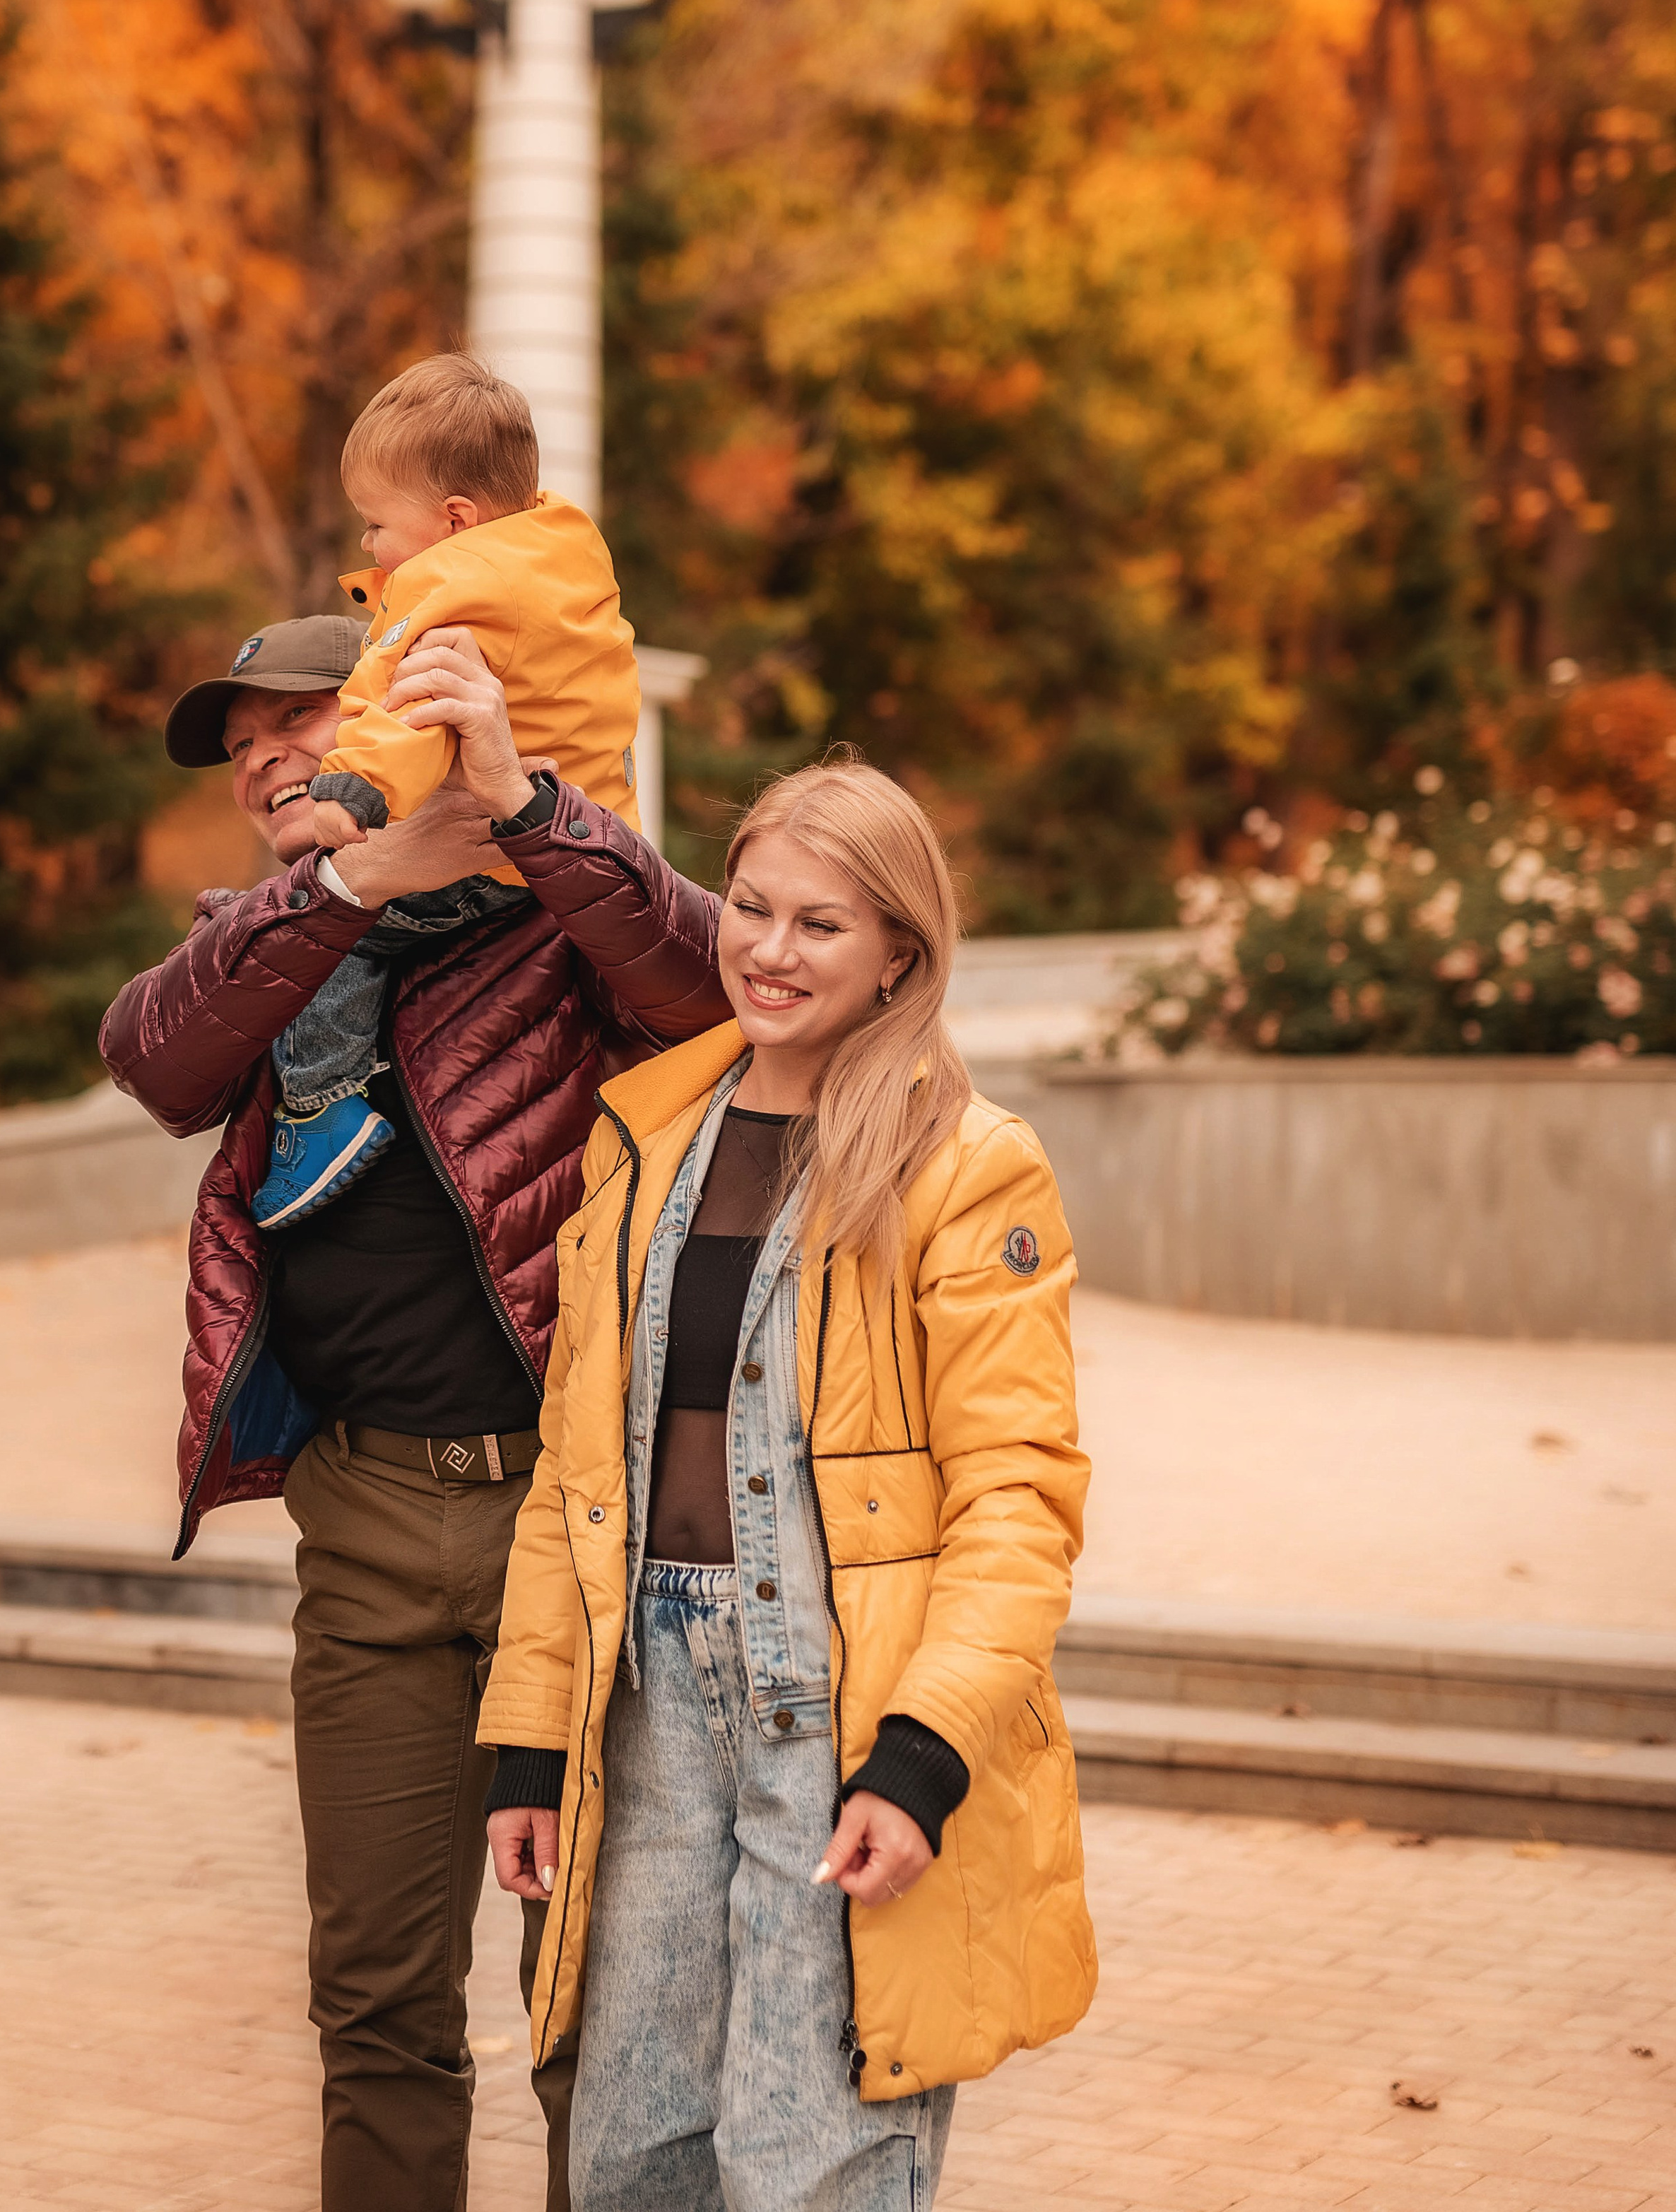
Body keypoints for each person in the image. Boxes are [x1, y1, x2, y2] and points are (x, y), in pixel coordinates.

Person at [98, 613, 726, 2212]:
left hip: (569, 1531)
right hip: (364, 1528)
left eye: (294, 721)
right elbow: (152, 1060)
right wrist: (347, 884)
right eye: (237, 746)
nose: (258, 761)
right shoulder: (265, 935)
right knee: (374, 2004)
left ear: (394, 718)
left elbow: (712, 983)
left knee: (593, 1992)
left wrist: (521, 807)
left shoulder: (555, 917)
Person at [478, 756, 1097, 2212]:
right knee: (628, 2148)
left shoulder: (967, 1168)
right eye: (750, 906)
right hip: (648, 1713)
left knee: (802, 2155)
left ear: (899, 951)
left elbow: (1017, 1501)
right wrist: (528, 1742)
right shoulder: (643, 1140)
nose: (767, 947)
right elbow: (579, 1475)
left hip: (842, 1715)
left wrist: (923, 1754)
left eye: (820, 924)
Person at [257, 352, 642, 1226]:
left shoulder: (450, 588)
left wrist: (349, 795)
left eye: (375, 525)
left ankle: (322, 1109)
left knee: (328, 931)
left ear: (453, 520)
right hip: (581, 830)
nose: (367, 547)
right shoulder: (563, 549)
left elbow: (406, 705)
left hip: (485, 855)